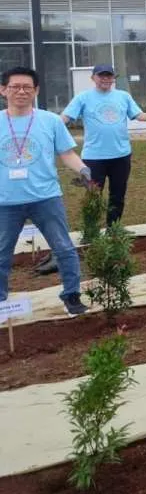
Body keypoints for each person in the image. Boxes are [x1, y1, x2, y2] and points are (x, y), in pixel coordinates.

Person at [0, 66, 90, 316]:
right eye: (14, 86)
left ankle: (71, 295)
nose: (21, 91)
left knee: (63, 248)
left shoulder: (50, 121)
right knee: (1, 253)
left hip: (46, 198)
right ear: (3, 90)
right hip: (5, 202)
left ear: (36, 91)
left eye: (27, 87)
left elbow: (67, 153)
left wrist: (84, 171)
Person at [60, 63, 146, 226]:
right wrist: (49, 127)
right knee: (92, 195)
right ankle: (91, 232)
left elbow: (138, 115)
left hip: (121, 155)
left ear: (113, 78)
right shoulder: (83, 98)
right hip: (94, 157)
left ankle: (114, 229)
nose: (105, 79)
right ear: (93, 78)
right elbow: (65, 118)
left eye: (109, 76)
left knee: (117, 195)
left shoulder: (123, 96)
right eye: (101, 76)